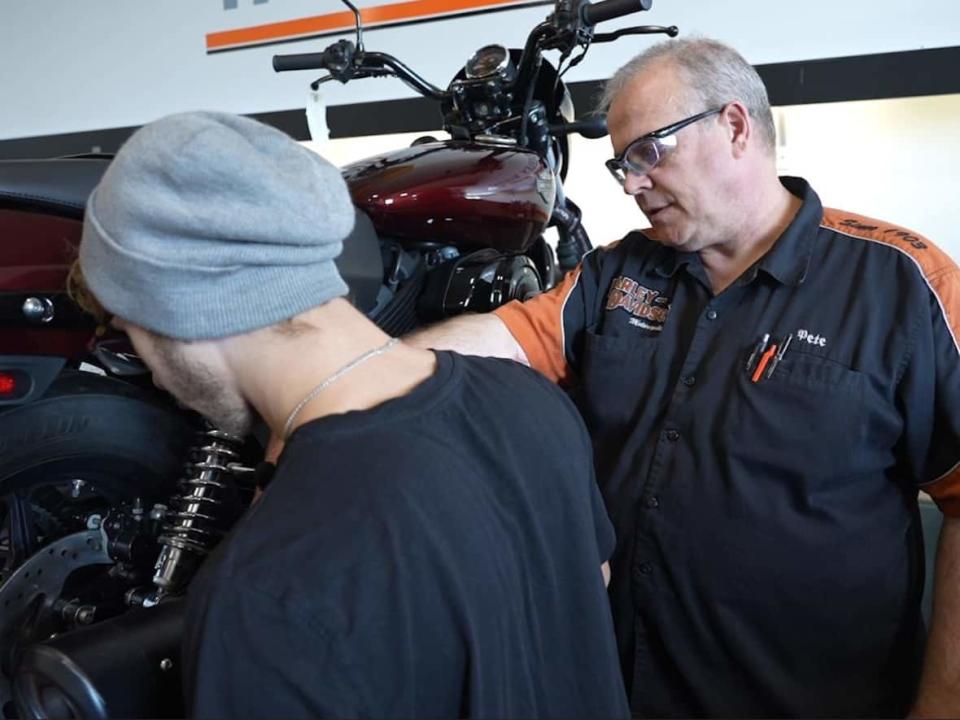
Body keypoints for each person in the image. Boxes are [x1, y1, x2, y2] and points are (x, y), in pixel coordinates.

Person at [409, 38, 960, 718]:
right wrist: (349, 374)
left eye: (649, 152)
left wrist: (942, 704)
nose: (633, 184)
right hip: (620, 690)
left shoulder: (903, 284)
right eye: (621, 166)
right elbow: (502, 343)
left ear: (734, 126)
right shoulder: (619, 272)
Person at [71, 111, 630, 719]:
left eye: (129, 329)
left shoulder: (264, 595)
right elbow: (587, 585)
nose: (151, 370)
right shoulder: (529, 402)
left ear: (175, 309)